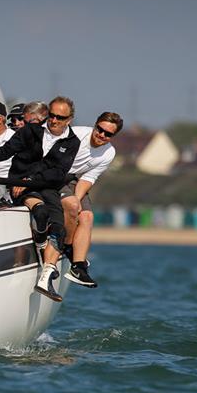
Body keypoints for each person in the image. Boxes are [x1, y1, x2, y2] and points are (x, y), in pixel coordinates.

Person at [0, 96, 80, 302]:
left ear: (69, 119)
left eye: (60, 118)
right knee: (41, 212)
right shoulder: (31, 130)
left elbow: (57, 172)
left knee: (59, 228)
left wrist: (31, 179)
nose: (54, 121)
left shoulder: (72, 142)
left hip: (46, 187)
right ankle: (39, 245)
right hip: (20, 185)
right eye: (52, 116)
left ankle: (46, 276)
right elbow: (5, 151)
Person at [60, 112, 123, 288]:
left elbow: (87, 179)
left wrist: (78, 199)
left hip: (74, 180)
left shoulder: (109, 153)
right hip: (54, 175)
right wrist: (74, 202)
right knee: (72, 206)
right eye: (100, 129)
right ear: (95, 125)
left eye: (108, 134)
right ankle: (67, 246)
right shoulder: (76, 134)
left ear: (113, 136)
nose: (102, 135)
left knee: (87, 216)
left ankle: (78, 267)